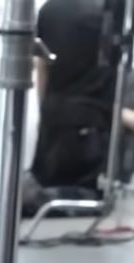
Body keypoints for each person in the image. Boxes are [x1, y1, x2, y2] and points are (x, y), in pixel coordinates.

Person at [31, 0, 134, 189]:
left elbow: (42, 69)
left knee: (49, 195)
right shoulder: (113, 13)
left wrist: (44, 114)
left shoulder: (50, 9)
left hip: (54, 128)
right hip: (94, 133)